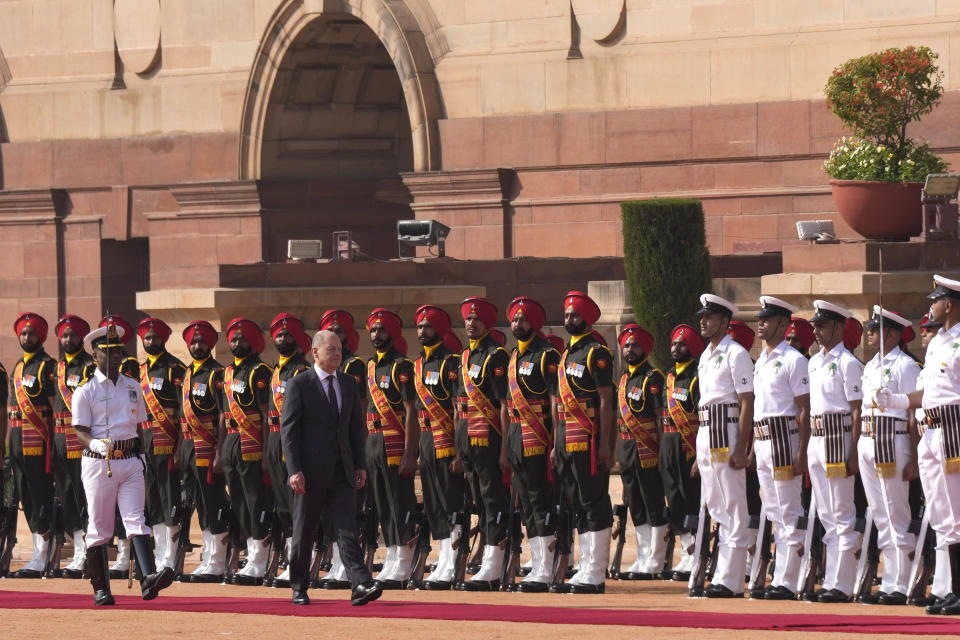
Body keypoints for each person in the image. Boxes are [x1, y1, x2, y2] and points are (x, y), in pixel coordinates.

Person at [875, 275, 960, 615]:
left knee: (957, 513)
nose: (931, 307)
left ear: (949, 305)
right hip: (930, 432)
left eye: (935, 301)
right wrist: (892, 399)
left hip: (954, 429)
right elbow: (925, 393)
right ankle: (953, 590)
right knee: (941, 515)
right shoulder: (938, 342)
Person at [72, 323, 174, 605]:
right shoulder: (86, 390)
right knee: (101, 527)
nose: (116, 355)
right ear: (95, 355)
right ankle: (101, 589)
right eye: (109, 351)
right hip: (98, 463)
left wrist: (141, 457)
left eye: (118, 350)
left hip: (130, 461)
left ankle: (149, 579)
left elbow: (138, 427)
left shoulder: (131, 385)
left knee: (136, 521)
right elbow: (79, 429)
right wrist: (93, 443)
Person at [281, 329, 383, 607]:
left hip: (342, 471)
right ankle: (299, 586)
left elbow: (354, 428)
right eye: (331, 350)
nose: (337, 354)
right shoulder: (299, 384)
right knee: (304, 532)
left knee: (348, 529)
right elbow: (288, 432)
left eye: (340, 349)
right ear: (315, 352)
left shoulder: (348, 383)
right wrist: (294, 470)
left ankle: (360, 582)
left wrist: (359, 465)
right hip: (309, 473)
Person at [857, 307, 921, 605]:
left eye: (875, 328)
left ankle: (901, 581)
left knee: (896, 512)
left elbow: (913, 413)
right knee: (880, 513)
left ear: (893, 334)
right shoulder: (870, 365)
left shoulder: (905, 365)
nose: (868, 332)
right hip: (869, 440)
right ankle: (889, 580)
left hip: (894, 441)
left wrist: (915, 458)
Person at [553, 291, 615, 594]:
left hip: (589, 439)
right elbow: (558, 406)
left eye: (574, 315)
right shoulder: (566, 354)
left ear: (586, 319)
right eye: (566, 315)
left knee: (594, 501)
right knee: (576, 502)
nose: (569, 320)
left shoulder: (597, 352)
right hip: (565, 438)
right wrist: (555, 444)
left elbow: (606, 401)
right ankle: (584, 564)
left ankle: (596, 570)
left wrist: (606, 444)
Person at [695, 294, 754, 598]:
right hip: (707, 431)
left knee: (733, 503)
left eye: (709, 317)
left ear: (725, 321)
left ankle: (732, 579)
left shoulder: (737, 353)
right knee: (717, 505)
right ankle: (722, 573)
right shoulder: (706, 355)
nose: (703, 321)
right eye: (702, 316)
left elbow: (747, 402)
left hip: (727, 429)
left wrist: (742, 447)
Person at [750, 296, 810, 600]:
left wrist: (801, 452)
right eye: (760, 319)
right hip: (762, 439)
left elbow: (804, 408)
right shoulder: (761, 360)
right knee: (773, 510)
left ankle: (788, 579)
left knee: (788, 509)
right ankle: (781, 575)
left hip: (785, 438)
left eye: (768, 319)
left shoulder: (794, 359)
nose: (761, 323)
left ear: (783, 325)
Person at [501, 297, 560, 592]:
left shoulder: (547, 355)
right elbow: (506, 403)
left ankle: (546, 568)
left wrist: (555, 442)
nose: (517, 325)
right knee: (525, 505)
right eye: (514, 320)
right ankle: (536, 563)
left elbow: (554, 402)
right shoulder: (514, 357)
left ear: (534, 324)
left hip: (537, 436)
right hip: (514, 435)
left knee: (540, 501)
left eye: (523, 320)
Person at [807, 300, 864, 603]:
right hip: (817, 438)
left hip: (838, 437)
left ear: (839, 328)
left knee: (841, 511)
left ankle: (843, 582)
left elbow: (856, 412)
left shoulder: (849, 363)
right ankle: (833, 579)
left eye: (823, 326)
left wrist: (852, 452)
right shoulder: (814, 362)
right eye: (815, 326)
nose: (816, 331)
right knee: (826, 512)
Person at [455, 297, 511, 590]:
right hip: (466, 439)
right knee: (479, 499)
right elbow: (457, 406)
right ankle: (488, 556)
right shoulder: (464, 358)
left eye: (476, 320)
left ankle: (493, 562)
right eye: (468, 319)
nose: (471, 324)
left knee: (492, 499)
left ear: (486, 323)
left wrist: (504, 449)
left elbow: (504, 405)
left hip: (488, 438)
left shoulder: (496, 355)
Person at [364, 308, 418, 588]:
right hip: (373, 442)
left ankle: (405, 560)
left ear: (392, 333)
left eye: (381, 330)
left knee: (399, 502)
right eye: (373, 330)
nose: (376, 335)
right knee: (383, 504)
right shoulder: (370, 366)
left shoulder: (402, 365)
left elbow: (410, 412)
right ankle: (393, 556)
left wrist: (410, 452)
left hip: (395, 442)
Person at [218, 317, 274, 585]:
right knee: (238, 502)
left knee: (255, 501)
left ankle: (260, 559)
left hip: (252, 443)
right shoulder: (227, 373)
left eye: (242, 339)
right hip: (230, 441)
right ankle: (250, 554)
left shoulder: (260, 371)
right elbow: (222, 416)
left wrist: (265, 454)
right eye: (234, 339)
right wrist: (219, 451)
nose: (237, 343)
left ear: (253, 343)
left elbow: (265, 416)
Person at [411, 305, 463, 590]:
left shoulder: (450, 362)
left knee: (450, 502)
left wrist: (458, 451)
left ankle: (453, 561)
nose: (422, 331)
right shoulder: (418, 365)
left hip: (446, 441)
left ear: (439, 330)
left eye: (428, 327)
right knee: (433, 504)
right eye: (419, 327)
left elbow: (456, 409)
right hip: (427, 439)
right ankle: (443, 560)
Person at [177, 320, 232, 583]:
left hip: (208, 447)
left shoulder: (216, 373)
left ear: (210, 345)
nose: (197, 346)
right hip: (188, 447)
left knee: (214, 502)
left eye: (202, 342)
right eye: (193, 342)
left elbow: (223, 415)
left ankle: (218, 561)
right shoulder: (187, 373)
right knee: (198, 503)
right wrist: (179, 449)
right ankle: (209, 555)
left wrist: (220, 450)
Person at [615, 323, 667, 580]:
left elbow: (659, 418)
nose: (630, 349)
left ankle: (657, 559)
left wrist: (660, 454)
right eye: (626, 345)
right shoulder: (624, 379)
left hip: (647, 448)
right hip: (626, 448)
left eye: (635, 345)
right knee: (635, 503)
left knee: (652, 501)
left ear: (644, 349)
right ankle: (643, 555)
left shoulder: (653, 378)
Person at [6, 312, 57, 578]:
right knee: (25, 495)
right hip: (17, 442)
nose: (27, 337)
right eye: (24, 333)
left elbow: (54, 407)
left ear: (41, 337)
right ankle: (38, 552)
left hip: (38, 442)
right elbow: (10, 409)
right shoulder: (16, 366)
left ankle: (43, 554)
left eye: (32, 333)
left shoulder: (49, 366)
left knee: (40, 497)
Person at [265, 313, 311, 588]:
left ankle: (299, 561)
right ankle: (291, 559)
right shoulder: (275, 370)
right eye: (279, 335)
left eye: (287, 335)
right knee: (282, 506)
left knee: (297, 507)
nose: (283, 339)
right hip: (273, 441)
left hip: (293, 443)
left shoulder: (301, 371)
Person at [137, 317, 188, 571]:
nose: (151, 341)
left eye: (155, 338)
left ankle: (172, 555)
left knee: (170, 499)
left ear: (164, 339)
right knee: (152, 500)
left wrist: (180, 447)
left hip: (167, 442)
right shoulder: (140, 370)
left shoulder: (175, 368)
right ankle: (160, 554)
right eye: (147, 338)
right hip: (146, 442)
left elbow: (182, 412)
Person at [52, 315, 96, 578]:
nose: (68, 339)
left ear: (81, 338)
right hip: (59, 440)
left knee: (83, 495)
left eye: (73, 335)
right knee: (66, 495)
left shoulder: (90, 366)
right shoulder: (57, 369)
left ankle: (88, 552)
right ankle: (78, 548)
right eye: (65, 335)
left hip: (80, 440)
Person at [660, 324, 704, 580]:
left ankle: (697, 552)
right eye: (674, 344)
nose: (676, 348)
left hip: (688, 446)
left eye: (682, 344)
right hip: (668, 445)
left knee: (691, 499)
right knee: (674, 499)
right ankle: (686, 552)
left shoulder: (697, 377)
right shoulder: (669, 376)